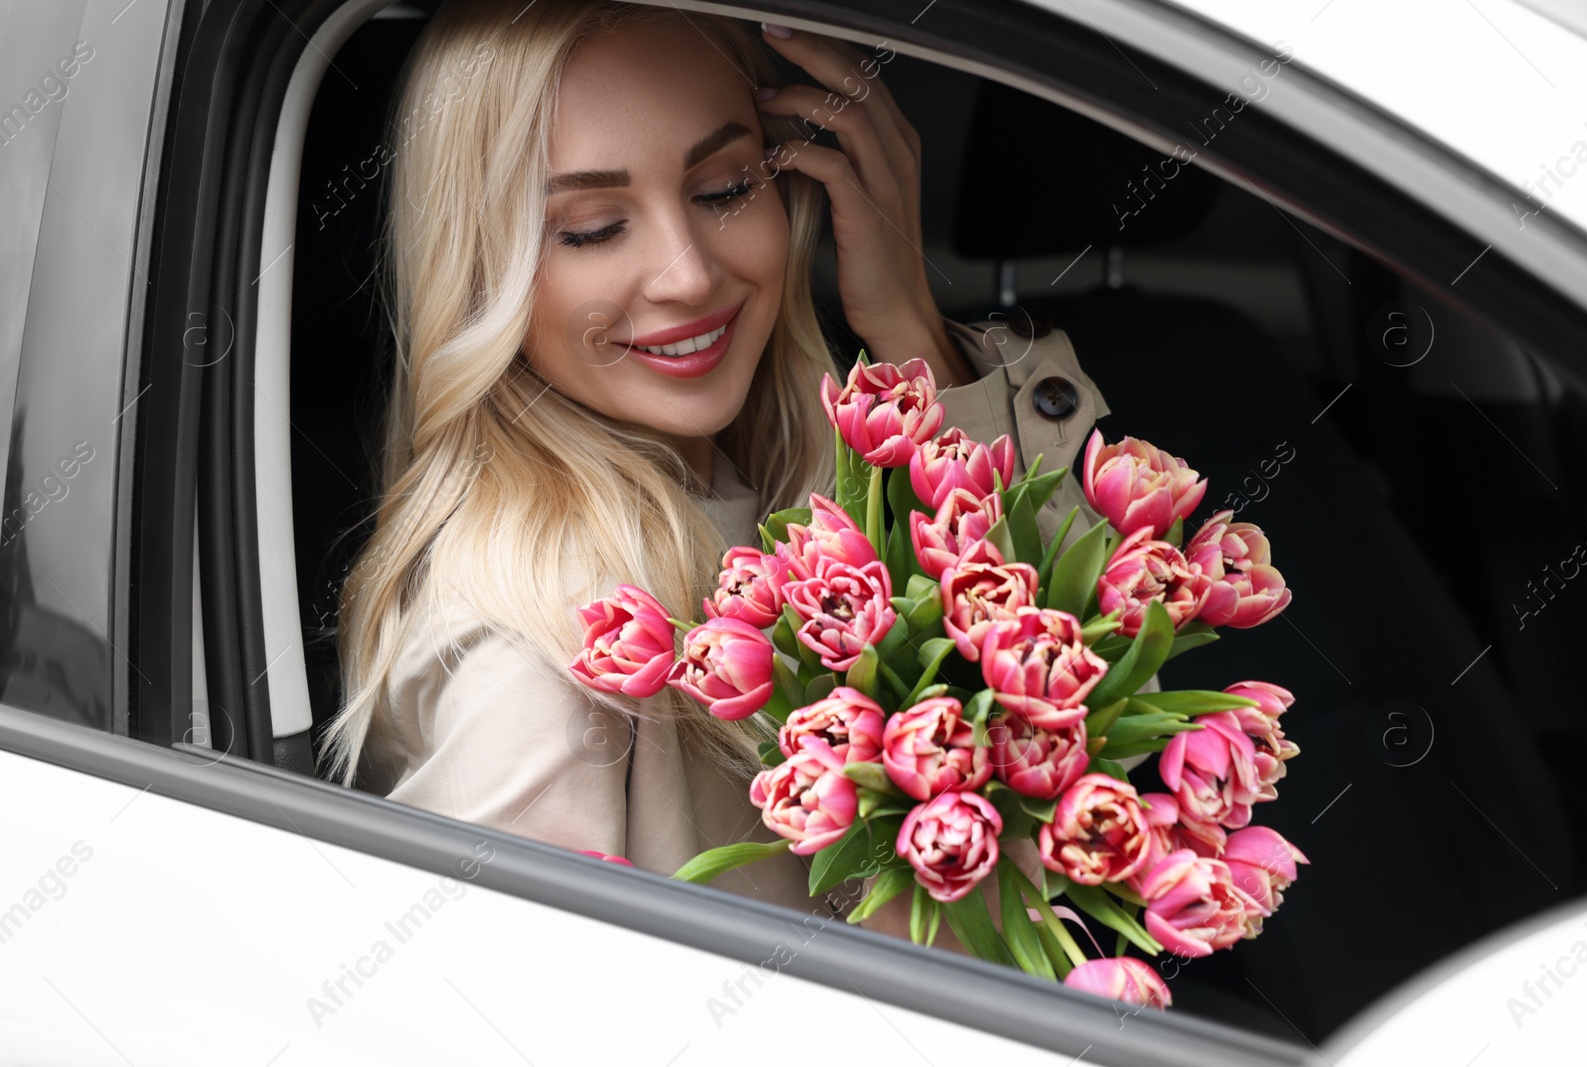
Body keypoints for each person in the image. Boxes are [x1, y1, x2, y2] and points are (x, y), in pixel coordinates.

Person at [317, 0, 1114, 950]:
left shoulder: (808, 484)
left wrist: (908, 325)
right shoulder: (540, 647)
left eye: (727, 186)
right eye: (593, 228)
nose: (687, 274)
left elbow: (1080, 671)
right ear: (482, 270)